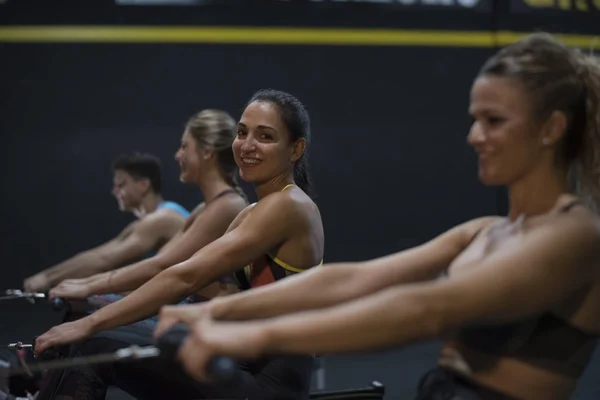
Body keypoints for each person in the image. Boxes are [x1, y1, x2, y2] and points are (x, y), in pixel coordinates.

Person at [156, 33, 600, 400]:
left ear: (551, 129)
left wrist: (254, 335)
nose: (473, 136)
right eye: (474, 119)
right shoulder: (485, 231)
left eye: (494, 121)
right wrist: (217, 313)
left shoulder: (576, 234)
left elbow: (429, 309)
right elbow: (352, 279)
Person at [34, 89, 325, 400]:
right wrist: (101, 302)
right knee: (90, 337)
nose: (247, 145)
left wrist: (92, 317)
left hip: (266, 386)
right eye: (242, 133)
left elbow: (184, 276)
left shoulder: (287, 206)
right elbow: (188, 282)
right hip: (241, 362)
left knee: (92, 344)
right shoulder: (252, 212)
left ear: (296, 149)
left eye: (264, 136)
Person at [46, 109, 249, 305]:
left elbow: (160, 266)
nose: (178, 155)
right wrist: (85, 284)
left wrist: (88, 287)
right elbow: (158, 264)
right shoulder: (203, 209)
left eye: (184, 146)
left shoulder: (227, 206)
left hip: (209, 322)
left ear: (206, 152)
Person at [23, 153, 190, 293]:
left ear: (144, 184)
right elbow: (97, 254)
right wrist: (46, 276)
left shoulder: (162, 218)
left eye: (121, 184)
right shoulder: (145, 223)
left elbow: (104, 261)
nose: (114, 191)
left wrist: (46, 279)